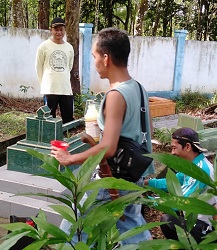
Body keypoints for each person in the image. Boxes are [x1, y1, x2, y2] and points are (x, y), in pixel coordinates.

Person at [51, 27, 154, 245]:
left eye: (95, 56)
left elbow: (109, 148)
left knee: (72, 230)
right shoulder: (138, 88)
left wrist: (70, 158)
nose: (94, 61)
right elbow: (144, 132)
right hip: (135, 173)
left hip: (113, 179)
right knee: (133, 230)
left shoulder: (116, 95)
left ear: (106, 58)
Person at [143, 127, 217, 243]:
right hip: (197, 219)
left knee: (168, 221)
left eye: (174, 148)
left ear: (187, 147)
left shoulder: (201, 171)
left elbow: (182, 202)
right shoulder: (193, 165)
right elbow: (173, 182)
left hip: (211, 230)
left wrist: (147, 200)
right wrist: (147, 183)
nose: (172, 153)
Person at [35, 17, 75, 124]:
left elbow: (69, 67)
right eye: (56, 29)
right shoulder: (43, 47)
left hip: (65, 89)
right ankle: (50, 140)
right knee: (48, 120)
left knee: (68, 120)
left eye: (61, 29)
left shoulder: (69, 48)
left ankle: (67, 140)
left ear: (64, 30)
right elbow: (38, 67)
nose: (59, 32)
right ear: (51, 30)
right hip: (50, 89)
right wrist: (43, 85)